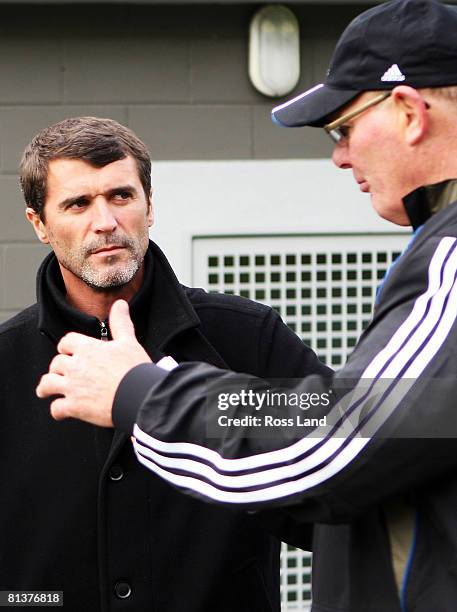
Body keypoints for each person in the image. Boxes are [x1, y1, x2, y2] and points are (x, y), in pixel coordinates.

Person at [36, 0, 457, 610]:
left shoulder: (442, 261)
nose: (339, 157)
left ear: (409, 112)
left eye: (342, 129)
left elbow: (331, 443)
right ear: (38, 223)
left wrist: (145, 394)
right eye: (77, 204)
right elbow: (347, 422)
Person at [0, 116, 330, 612]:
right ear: (39, 224)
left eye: (120, 196)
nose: (105, 221)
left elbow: (335, 486)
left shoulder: (248, 337)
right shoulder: (6, 362)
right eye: (77, 204)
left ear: (149, 206)